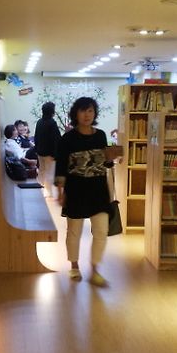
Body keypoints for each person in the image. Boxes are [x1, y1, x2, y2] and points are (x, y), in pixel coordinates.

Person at [54, 97, 118, 287]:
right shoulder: (67, 139)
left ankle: (95, 269)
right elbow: (61, 166)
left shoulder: (100, 135)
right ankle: (74, 266)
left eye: (90, 110)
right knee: (74, 231)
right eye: (83, 111)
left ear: (94, 113)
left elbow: (105, 163)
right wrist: (60, 191)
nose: (87, 115)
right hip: (76, 189)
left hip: (99, 189)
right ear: (76, 114)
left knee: (101, 231)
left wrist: (110, 158)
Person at [34, 101, 61, 198]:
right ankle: (48, 192)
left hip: (40, 152)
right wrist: (56, 154)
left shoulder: (39, 122)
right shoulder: (52, 123)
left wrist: (36, 149)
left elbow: (36, 137)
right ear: (52, 112)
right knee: (50, 173)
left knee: (42, 170)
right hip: (50, 153)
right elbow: (56, 140)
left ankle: (42, 189)